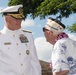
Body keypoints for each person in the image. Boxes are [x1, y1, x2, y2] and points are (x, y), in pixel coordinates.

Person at [0, 4, 41, 75]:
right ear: (7, 19)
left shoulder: (28, 35)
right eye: (16, 19)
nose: (20, 21)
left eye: (20, 18)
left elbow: (34, 61)